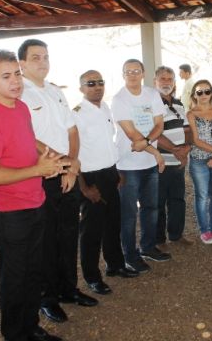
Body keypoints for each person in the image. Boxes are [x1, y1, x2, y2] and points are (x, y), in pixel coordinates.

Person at [0, 50, 66, 341]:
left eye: (17, 74)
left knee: (33, 271)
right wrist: (38, 169)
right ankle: (15, 334)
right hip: (9, 211)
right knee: (15, 277)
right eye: (6, 76)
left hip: (34, 200)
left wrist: (49, 154)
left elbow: (28, 138)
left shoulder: (20, 107)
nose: (15, 81)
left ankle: (30, 326)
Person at [18, 39, 97, 324]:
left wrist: (72, 165)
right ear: (22, 64)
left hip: (67, 173)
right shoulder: (20, 94)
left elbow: (72, 130)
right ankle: (47, 298)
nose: (43, 62)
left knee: (68, 234)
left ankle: (68, 289)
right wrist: (63, 162)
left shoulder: (55, 91)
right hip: (44, 175)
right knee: (47, 240)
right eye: (36, 58)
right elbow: (28, 136)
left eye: (46, 57)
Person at [73, 70, 139, 296]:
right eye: (90, 83)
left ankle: (115, 265)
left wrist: (116, 170)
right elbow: (72, 153)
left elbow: (108, 143)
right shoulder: (77, 114)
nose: (97, 86)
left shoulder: (105, 108)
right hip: (90, 177)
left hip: (110, 172)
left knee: (113, 223)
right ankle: (92, 277)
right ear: (81, 88)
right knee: (91, 231)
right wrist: (83, 187)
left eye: (100, 82)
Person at [112, 58, 170, 274]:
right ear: (123, 75)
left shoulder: (152, 94)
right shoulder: (119, 99)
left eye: (136, 71)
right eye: (128, 71)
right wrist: (155, 151)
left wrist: (146, 144)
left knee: (151, 208)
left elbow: (159, 124)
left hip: (149, 164)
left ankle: (148, 247)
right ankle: (130, 255)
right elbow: (131, 134)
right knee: (128, 214)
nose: (133, 75)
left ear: (143, 73)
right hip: (128, 165)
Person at [154, 66, 192, 248]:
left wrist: (187, 149)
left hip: (179, 162)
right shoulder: (151, 105)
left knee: (178, 200)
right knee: (158, 202)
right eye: (162, 79)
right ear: (155, 82)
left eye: (170, 79)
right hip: (160, 162)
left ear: (175, 82)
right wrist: (177, 150)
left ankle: (176, 235)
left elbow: (187, 130)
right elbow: (153, 134)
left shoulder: (179, 104)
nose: (166, 82)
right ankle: (159, 240)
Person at [187, 80, 212, 244]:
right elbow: (196, 140)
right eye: (199, 92)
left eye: (207, 91)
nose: (203, 95)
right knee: (202, 196)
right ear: (194, 95)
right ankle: (204, 230)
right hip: (198, 160)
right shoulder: (191, 114)